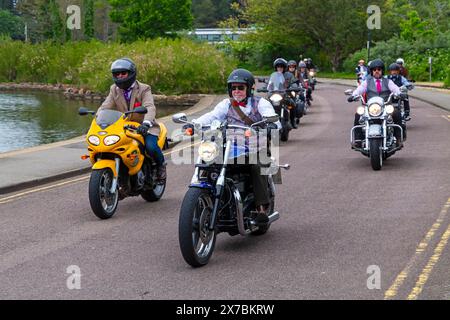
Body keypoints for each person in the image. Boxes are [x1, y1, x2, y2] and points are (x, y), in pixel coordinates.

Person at [186, 69, 280, 226]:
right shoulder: (226, 104)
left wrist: (271, 125)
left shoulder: (261, 103)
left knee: (258, 165)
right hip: (230, 147)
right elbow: (212, 116)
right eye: (233, 88)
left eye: (240, 88)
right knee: (209, 163)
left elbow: (274, 120)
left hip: (255, 149)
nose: (237, 91)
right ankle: (204, 199)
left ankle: (261, 208)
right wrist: (194, 123)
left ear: (249, 88)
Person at [98, 57, 166, 181]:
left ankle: (161, 166)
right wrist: (97, 120)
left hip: (144, 127)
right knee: (111, 147)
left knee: (150, 147)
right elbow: (105, 106)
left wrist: (146, 123)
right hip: (123, 127)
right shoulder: (114, 89)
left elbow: (149, 107)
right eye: (117, 74)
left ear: (131, 73)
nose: (120, 76)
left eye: (123, 73)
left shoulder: (144, 88)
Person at [348, 58, 403, 147]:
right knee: (358, 114)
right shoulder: (367, 82)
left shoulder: (388, 81)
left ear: (382, 71)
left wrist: (400, 94)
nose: (376, 71)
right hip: (371, 108)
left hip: (385, 106)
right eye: (374, 70)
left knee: (396, 113)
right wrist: (353, 96)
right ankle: (358, 139)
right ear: (371, 71)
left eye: (379, 69)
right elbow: (359, 89)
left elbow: (395, 89)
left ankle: (399, 138)